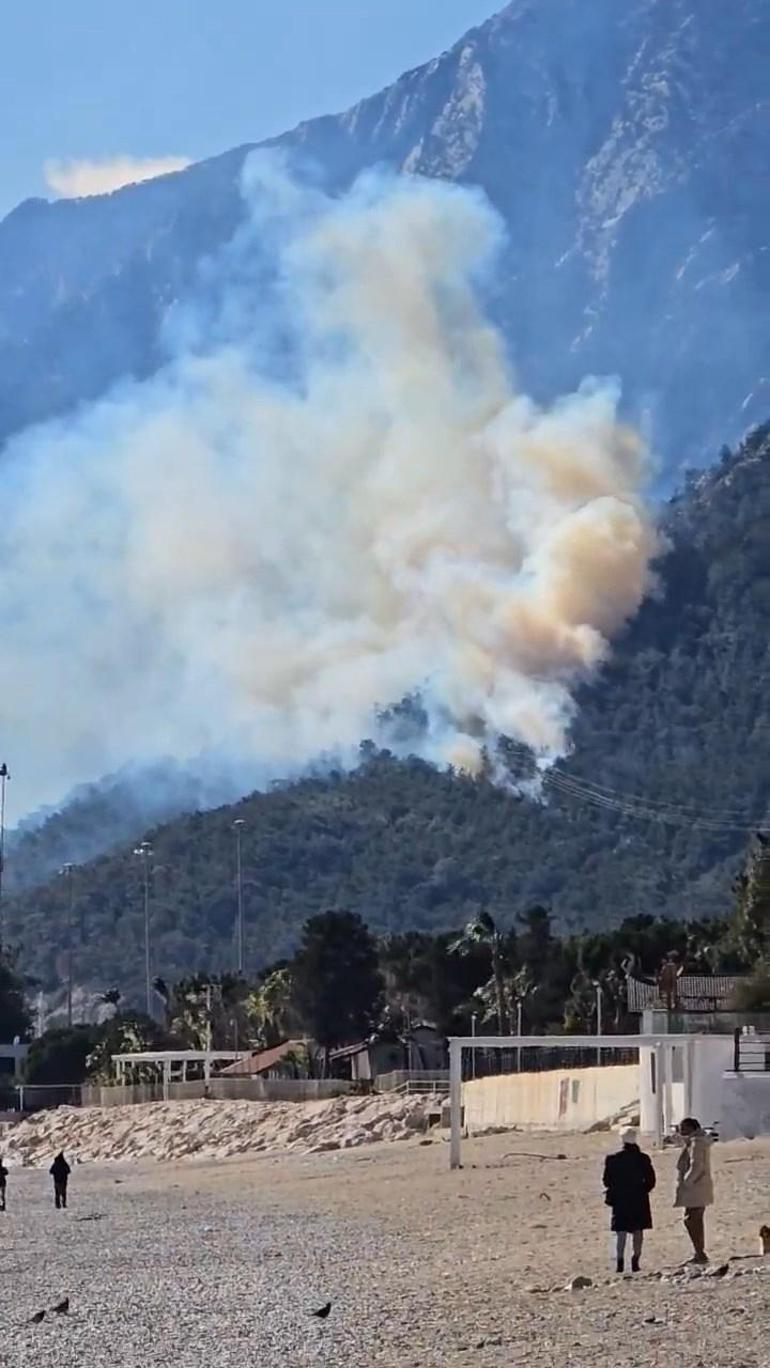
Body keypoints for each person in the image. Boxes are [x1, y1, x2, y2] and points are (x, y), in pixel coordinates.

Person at [602, 1127, 656, 1273]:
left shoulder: (612, 1159)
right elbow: (651, 1180)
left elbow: (607, 1180)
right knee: (638, 1230)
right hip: (639, 1197)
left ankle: (620, 1260)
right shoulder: (643, 1158)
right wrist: (642, 1190)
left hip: (620, 1198)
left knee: (621, 1231)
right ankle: (635, 1259)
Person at [674, 1117, 714, 1265]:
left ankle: (700, 1253)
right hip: (699, 1186)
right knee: (693, 1219)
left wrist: (686, 1182)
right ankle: (699, 1252)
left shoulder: (697, 1143)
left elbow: (696, 1165)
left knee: (692, 1220)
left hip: (696, 1188)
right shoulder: (696, 1141)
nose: (681, 1131)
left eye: (683, 1128)